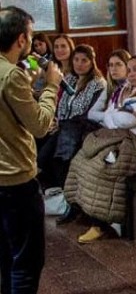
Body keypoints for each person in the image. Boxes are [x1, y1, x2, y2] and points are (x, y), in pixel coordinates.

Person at [0, 5, 79, 294]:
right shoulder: (11, 76)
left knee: (6, 255)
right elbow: (40, 125)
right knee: (27, 259)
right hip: (14, 179)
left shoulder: (9, 73)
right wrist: (50, 87)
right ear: (21, 39)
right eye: (30, 37)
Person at [68, 54, 136, 244]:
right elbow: (113, 117)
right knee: (83, 159)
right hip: (129, 141)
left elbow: (122, 120)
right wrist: (115, 116)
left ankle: (102, 223)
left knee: (103, 166)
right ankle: (94, 215)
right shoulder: (129, 90)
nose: (131, 74)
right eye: (129, 70)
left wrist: (114, 117)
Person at [37, 44, 107, 190]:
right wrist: (55, 120)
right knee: (41, 149)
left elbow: (88, 114)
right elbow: (60, 104)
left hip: (81, 128)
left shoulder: (98, 84)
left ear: (91, 62)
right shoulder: (69, 79)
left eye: (84, 60)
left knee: (54, 156)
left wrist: (61, 124)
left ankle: (63, 192)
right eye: (76, 60)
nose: (79, 64)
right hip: (62, 127)